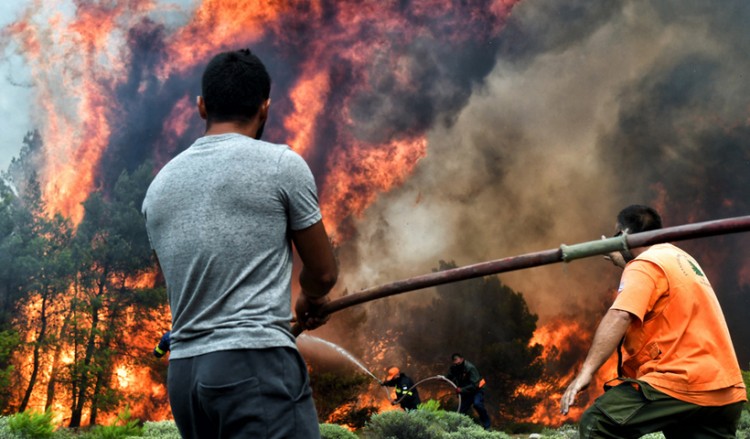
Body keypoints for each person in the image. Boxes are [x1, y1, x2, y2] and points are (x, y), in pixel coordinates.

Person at [141, 49, 339, 439]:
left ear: (201, 107)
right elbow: (324, 272)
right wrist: (310, 300)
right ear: (264, 108)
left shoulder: (158, 188)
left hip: (185, 377)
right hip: (253, 366)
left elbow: (186, 272)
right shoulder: (281, 165)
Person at [560, 205, 746, 438]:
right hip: (723, 391)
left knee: (597, 423)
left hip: (681, 381)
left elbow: (621, 314)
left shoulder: (645, 264)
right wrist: (626, 261)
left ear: (625, 234)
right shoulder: (680, 259)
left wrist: (586, 372)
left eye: (617, 236)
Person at [446, 353, 491, 429]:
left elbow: (475, 385)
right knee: (461, 411)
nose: (456, 362)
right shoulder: (455, 368)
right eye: (454, 361)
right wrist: (443, 378)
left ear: (462, 359)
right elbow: (449, 376)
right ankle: (458, 429)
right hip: (467, 392)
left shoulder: (470, 368)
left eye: (457, 360)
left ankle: (487, 426)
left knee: (477, 404)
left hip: (477, 390)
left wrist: (462, 389)